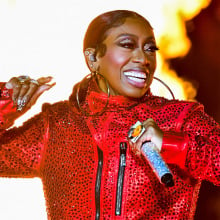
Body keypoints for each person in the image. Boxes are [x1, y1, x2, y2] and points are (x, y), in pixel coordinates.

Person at [0, 10, 219, 220]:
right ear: (93, 58)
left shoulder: (180, 118)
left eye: (150, 48)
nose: (143, 58)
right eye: (127, 45)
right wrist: (6, 104)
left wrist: (173, 145)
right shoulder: (57, 124)